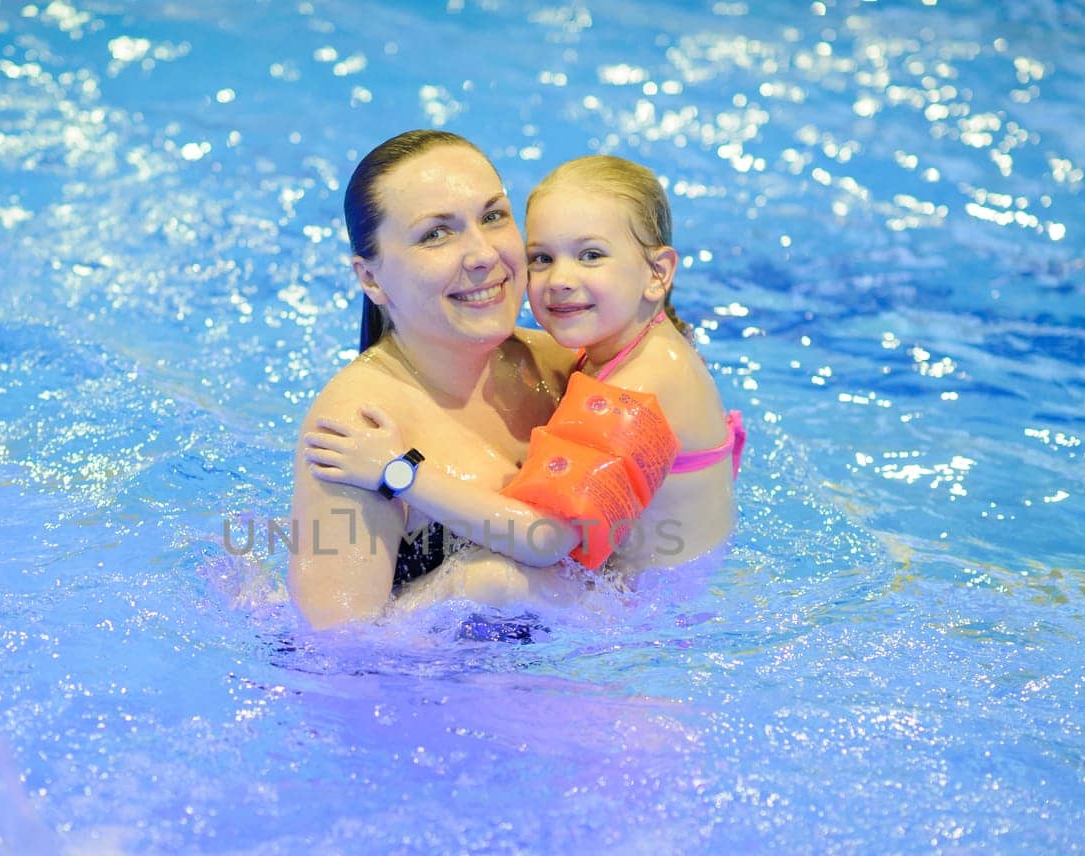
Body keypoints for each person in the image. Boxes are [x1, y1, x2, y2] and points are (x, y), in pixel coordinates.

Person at [304, 154, 743, 574]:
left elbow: (546, 541)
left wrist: (397, 470)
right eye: (542, 259)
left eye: (591, 255)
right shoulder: (643, 347)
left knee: (490, 578)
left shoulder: (643, 382)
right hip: (674, 603)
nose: (561, 282)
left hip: (655, 631)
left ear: (657, 272)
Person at [288, 130, 576, 630]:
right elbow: (336, 655)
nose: (484, 254)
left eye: (492, 217)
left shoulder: (561, 367)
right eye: (435, 234)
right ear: (371, 279)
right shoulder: (357, 431)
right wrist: (467, 585)